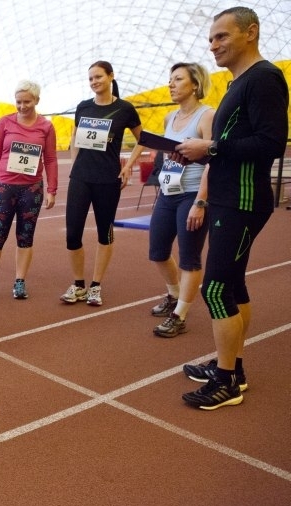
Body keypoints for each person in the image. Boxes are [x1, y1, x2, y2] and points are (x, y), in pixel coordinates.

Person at [175, 7, 288, 409]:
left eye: (222, 36)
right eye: (211, 39)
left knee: (216, 288)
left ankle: (227, 382)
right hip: (227, 196)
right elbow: (229, 145)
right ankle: (232, 368)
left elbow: (272, 143)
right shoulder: (238, 82)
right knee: (233, 285)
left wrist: (210, 147)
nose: (213, 45)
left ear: (250, 33)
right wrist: (200, 153)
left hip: (243, 199)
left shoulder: (264, 78)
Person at [126, 63, 214, 338]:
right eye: (170, 80)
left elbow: (214, 161)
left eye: (178, 79)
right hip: (168, 192)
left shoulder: (207, 116)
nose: (171, 84)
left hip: (192, 194)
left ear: (195, 85)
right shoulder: (169, 117)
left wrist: (201, 201)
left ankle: (180, 315)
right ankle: (174, 295)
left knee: (189, 258)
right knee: (158, 251)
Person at [60, 61, 143, 307]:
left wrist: (128, 166)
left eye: (98, 77)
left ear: (110, 76)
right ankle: (78, 285)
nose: (94, 82)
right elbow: (75, 136)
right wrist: (75, 164)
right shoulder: (83, 107)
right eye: (90, 79)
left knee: (104, 233)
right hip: (81, 178)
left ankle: (95, 285)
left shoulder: (125, 109)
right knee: (72, 234)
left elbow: (143, 139)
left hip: (108, 179)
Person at [0, 79, 58, 302]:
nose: (22, 106)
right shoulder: (5, 122)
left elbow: (50, 159)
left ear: (37, 100)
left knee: (25, 237)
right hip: (4, 188)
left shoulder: (46, 127)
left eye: (27, 102)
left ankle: (20, 281)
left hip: (31, 190)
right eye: (18, 102)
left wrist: (52, 189)